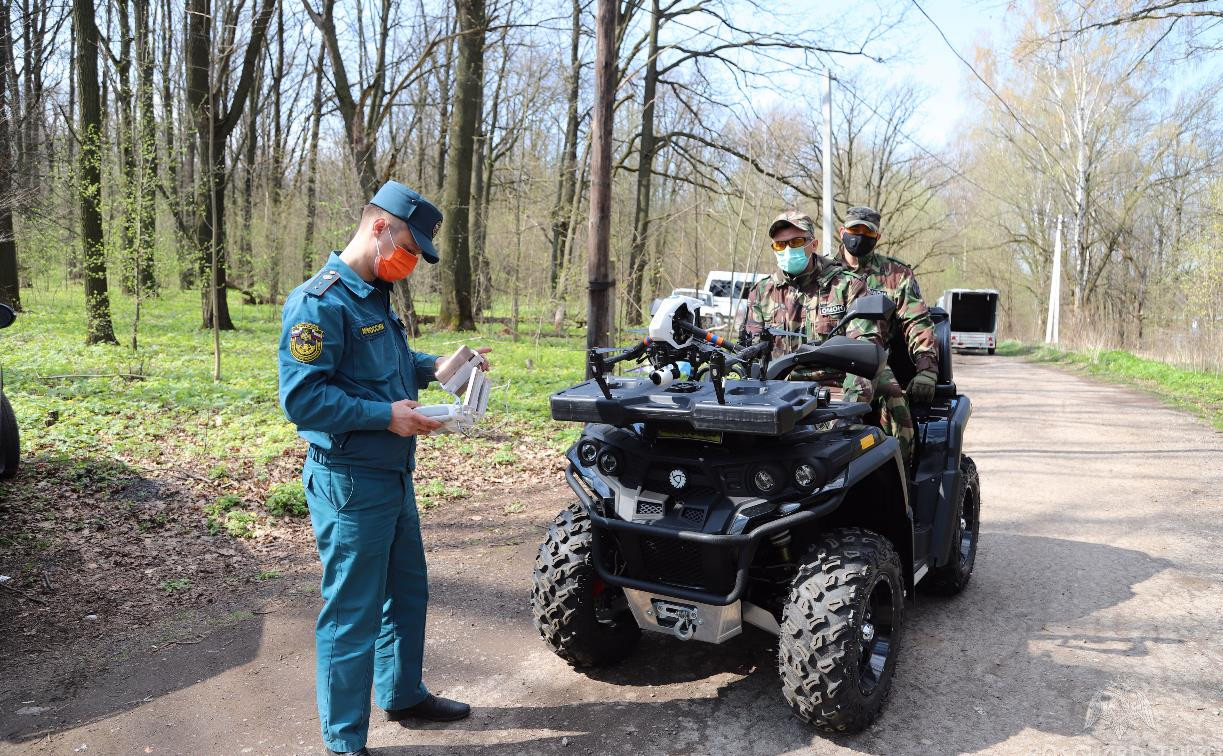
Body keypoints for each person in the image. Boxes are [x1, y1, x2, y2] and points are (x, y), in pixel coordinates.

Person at [278, 180, 489, 756]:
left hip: (393, 474)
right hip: (349, 479)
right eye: (410, 248)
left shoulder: (374, 295)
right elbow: (303, 399)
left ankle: (403, 693)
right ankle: (344, 742)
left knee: (406, 590)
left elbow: (388, 363)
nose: (412, 261)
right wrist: (384, 417)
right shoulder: (318, 302)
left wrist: (442, 368)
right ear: (379, 228)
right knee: (353, 612)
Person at [835, 205, 939, 468]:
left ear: (877, 237)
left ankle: (900, 480)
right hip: (826, 361)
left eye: (866, 231)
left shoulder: (896, 275)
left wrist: (927, 369)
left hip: (873, 362)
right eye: (853, 230)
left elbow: (917, 322)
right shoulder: (825, 274)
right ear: (842, 232)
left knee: (894, 399)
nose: (858, 236)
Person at [742, 210, 882, 400]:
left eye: (796, 242)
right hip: (776, 391)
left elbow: (863, 355)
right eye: (780, 244)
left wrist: (849, 406)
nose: (788, 250)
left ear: (813, 244)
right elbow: (751, 355)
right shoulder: (761, 292)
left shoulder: (848, 286)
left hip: (832, 391)